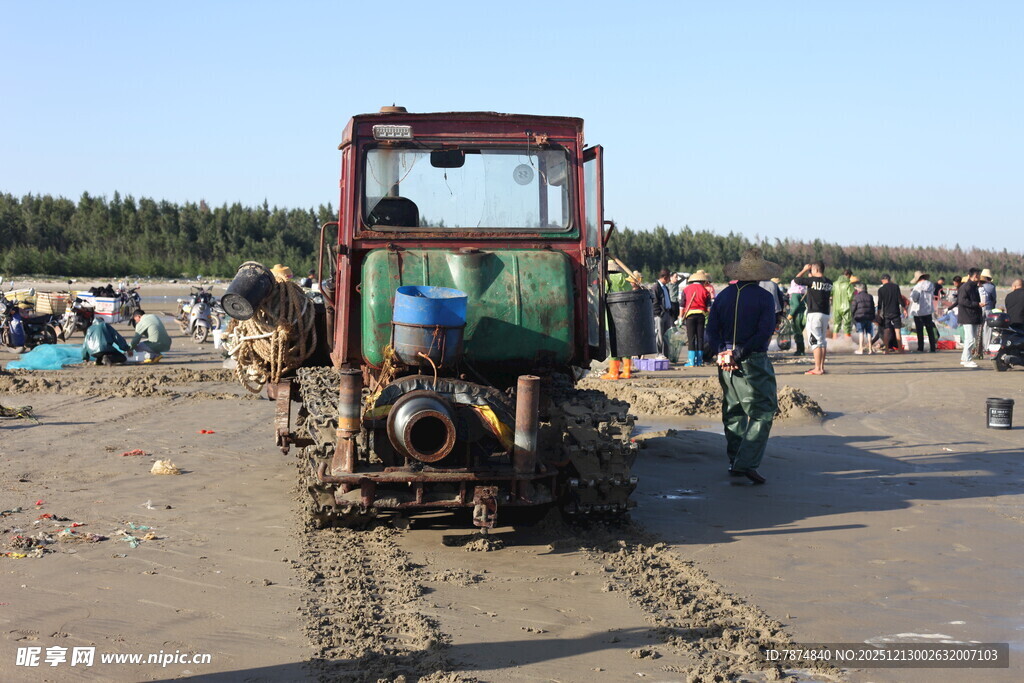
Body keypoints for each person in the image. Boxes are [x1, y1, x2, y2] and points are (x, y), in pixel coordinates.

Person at [704, 249, 780, 485]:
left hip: (724, 359)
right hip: (752, 359)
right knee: (763, 410)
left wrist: (723, 353)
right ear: (760, 275)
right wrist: (738, 353)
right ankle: (745, 462)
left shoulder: (724, 295)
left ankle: (735, 460)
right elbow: (764, 332)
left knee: (733, 409)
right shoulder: (764, 297)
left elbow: (711, 330)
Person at [792, 262, 833, 375]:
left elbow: (796, 280)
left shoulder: (812, 281)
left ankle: (817, 368)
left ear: (814, 269)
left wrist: (804, 269)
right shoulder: (829, 282)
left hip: (814, 313)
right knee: (822, 341)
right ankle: (821, 367)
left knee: (815, 341)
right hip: (825, 314)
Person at [602, 261, 639, 380]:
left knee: (613, 344)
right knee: (625, 343)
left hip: (611, 315)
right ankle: (627, 371)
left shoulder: (605, 279)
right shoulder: (625, 279)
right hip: (625, 315)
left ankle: (613, 372)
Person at [680, 270, 712, 367]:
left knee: (691, 338)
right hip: (701, 316)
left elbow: (682, 306)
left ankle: (691, 361)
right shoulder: (705, 291)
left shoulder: (686, 290)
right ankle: (699, 361)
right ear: (702, 281)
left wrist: (680, 316)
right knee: (700, 338)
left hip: (690, 316)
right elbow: (709, 308)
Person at [956, 268, 983, 369]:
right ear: (975, 276)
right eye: (978, 275)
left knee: (971, 339)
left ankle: (964, 358)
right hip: (967, 316)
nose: (979, 277)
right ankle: (967, 359)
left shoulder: (974, 287)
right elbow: (962, 301)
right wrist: (977, 304)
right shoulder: (966, 287)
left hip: (973, 315)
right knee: (970, 339)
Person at [910, 271, 938, 353]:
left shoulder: (917, 287)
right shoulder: (931, 285)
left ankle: (920, 348)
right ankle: (933, 348)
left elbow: (914, 299)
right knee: (929, 329)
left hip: (919, 311)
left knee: (919, 330)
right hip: (928, 310)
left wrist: (912, 294)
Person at [876, 274, 905, 354]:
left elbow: (880, 303)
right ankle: (900, 349)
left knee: (886, 331)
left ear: (884, 280)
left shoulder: (881, 290)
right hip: (895, 312)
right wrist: (904, 308)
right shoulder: (896, 287)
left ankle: (886, 350)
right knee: (897, 331)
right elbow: (899, 298)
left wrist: (878, 313)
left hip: (886, 313)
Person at [650, 269, 674, 357]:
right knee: (659, 335)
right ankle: (659, 354)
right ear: (664, 277)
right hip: (660, 315)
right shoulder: (656, 287)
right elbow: (654, 302)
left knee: (667, 336)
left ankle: (667, 355)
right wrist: (659, 313)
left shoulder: (666, 288)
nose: (669, 280)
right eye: (668, 278)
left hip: (667, 313)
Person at [850, 282, 876, 355]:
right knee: (869, 333)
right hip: (869, 317)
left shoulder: (856, 297)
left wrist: (852, 315)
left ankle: (861, 349)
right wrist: (873, 317)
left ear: (859, 289)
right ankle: (870, 349)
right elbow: (872, 307)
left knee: (861, 332)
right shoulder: (870, 296)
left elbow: (853, 308)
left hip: (860, 317)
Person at [831, 269, 854, 338]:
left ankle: (834, 342)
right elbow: (850, 297)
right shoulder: (849, 284)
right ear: (848, 275)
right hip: (846, 307)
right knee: (847, 325)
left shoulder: (834, 284)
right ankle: (847, 342)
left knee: (836, 325)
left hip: (836, 307)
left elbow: (831, 294)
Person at [787, 278, 808, 356]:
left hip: (797, 316)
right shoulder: (803, 293)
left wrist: (791, 314)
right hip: (803, 315)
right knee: (800, 333)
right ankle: (801, 350)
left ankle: (800, 351)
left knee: (797, 334)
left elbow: (796, 305)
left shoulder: (795, 294)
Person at [979, 268, 997, 352]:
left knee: (979, 328)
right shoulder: (991, 286)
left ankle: (978, 347)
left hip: (979, 308)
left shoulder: (978, 286)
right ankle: (986, 347)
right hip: (989, 308)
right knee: (988, 328)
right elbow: (994, 298)